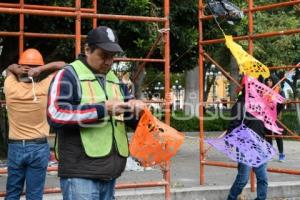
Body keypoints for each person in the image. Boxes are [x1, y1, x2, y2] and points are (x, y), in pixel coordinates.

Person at [47, 26, 145, 200]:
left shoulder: (114, 78)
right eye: (103, 55)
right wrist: (103, 109)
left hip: (110, 173)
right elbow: (56, 114)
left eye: (112, 57)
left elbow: (127, 115)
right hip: (80, 174)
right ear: (87, 50)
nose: (108, 61)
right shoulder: (68, 75)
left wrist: (137, 110)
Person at [4, 48, 65, 200]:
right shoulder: (45, 87)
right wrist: (41, 69)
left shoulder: (10, 87)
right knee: (34, 195)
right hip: (38, 147)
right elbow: (65, 66)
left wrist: (17, 69)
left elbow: (9, 68)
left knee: (12, 193)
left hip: (15, 147)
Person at [227, 86, 268, 200]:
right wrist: (230, 144)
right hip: (245, 145)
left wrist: (280, 104)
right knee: (243, 179)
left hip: (260, 144)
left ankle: (261, 198)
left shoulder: (260, 104)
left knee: (262, 178)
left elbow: (270, 118)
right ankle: (231, 198)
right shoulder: (240, 105)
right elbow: (233, 125)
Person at [264, 76, 285, 162]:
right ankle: (270, 153)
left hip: (276, 116)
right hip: (267, 116)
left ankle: (281, 153)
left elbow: (282, 104)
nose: (268, 82)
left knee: (278, 135)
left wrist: (275, 112)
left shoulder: (280, 91)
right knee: (268, 135)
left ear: (274, 81)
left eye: (270, 80)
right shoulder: (265, 91)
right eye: (267, 80)